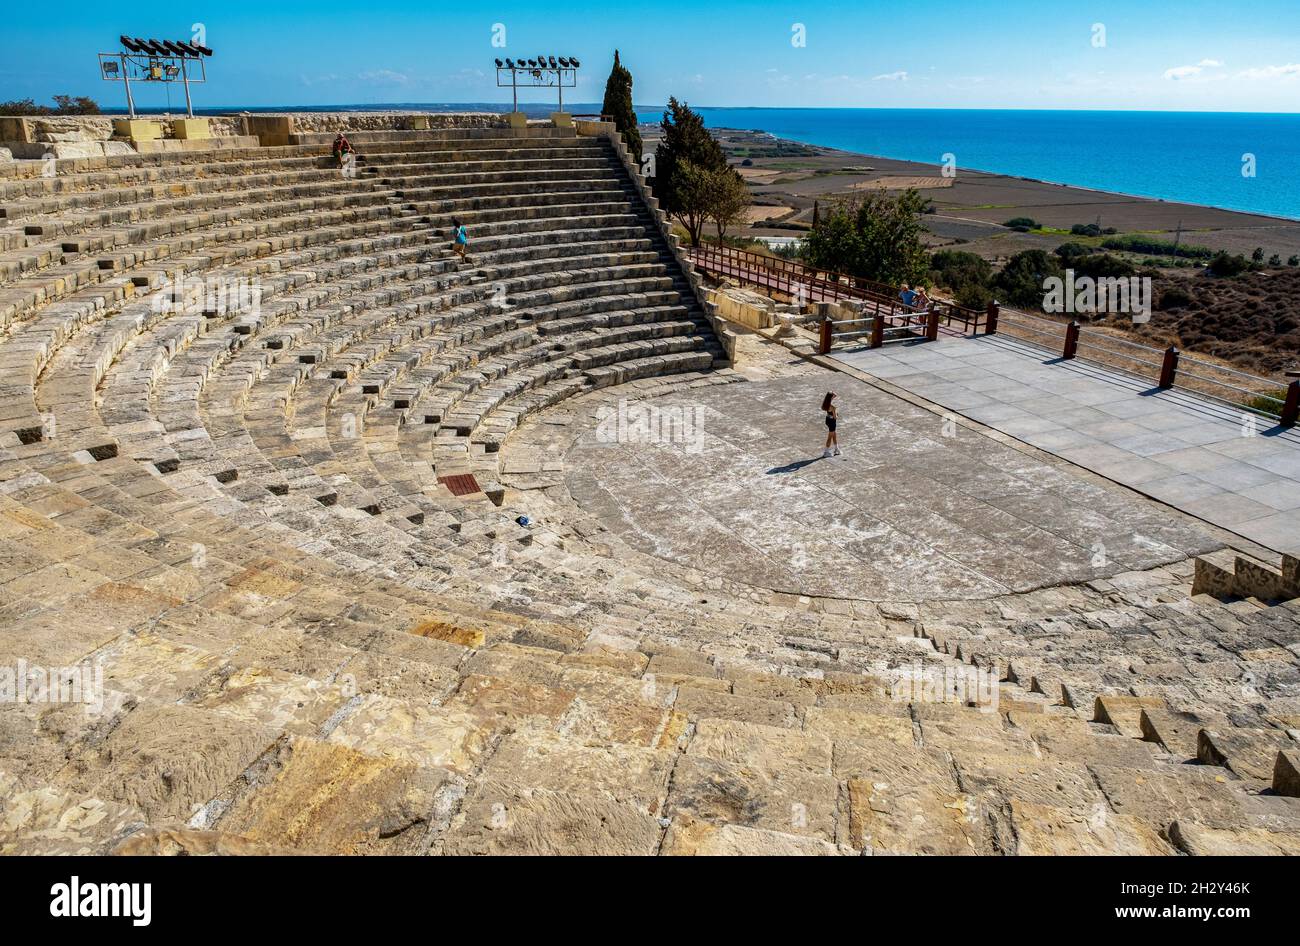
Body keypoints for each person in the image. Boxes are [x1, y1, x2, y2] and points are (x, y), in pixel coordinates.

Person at [821, 391, 841, 458]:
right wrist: (837, 414)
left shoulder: (826, 403)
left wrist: (831, 394)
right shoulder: (832, 407)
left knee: (834, 434)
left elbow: (835, 395)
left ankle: (836, 449)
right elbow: (835, 417)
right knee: (830, 437)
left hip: (828, 420)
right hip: (832, 421)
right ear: (831, 397)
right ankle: (826, 452)